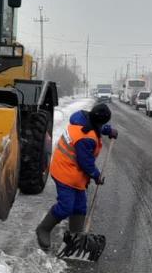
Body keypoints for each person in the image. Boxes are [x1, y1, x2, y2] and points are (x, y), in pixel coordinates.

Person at [35, 102, 118, 250]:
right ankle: (43, 229)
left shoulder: (83, 119)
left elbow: (95, 126)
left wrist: (108, 130)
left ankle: (75, 237)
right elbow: (85, 162)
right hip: (64, 172)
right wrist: (96, 175)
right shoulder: (85, 138)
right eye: (103, 124)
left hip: (74, 172)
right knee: (66, 207)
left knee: (80, 207)